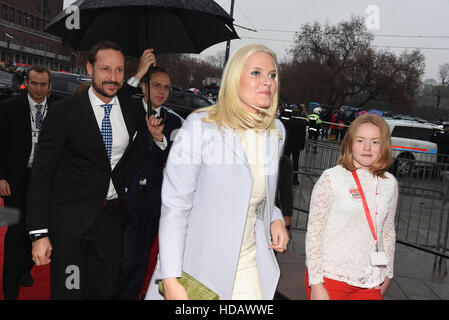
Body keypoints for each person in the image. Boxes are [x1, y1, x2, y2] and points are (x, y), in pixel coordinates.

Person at [145, 44, 289, 300]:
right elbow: (175, 207)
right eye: (256, 73)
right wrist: (170, 277)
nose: (267, 81)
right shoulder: (201, 126)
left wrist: (275, 216)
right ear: (235, 79)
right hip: (199, 267)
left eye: (272, 75)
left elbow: (258, 191)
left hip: (248, 262)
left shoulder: (275, 132)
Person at [26, 40, 146, 300]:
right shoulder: (64, 112)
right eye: (105, 69)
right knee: (71, 293)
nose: (112, 78)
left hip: (111, 222)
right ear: (90, 68)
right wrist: (39, 233)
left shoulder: (132, 110)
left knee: (103, 293)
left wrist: (158, 139)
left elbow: (136, 158)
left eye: (119, 70)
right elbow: (42, 175)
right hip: (71, 225)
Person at [305, 113, 398, 300]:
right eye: (361, 140)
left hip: (371, 279)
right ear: (350, 143)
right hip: (330, 277)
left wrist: (388, 273)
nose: (367, 147)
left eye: (375, 142)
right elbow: (314, 232)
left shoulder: (390, 183)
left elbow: (387, 232)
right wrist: (316, 283)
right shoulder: (331, 178)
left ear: (384, 146)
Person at [116, 51, 182, 300]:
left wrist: (160, 140)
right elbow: (116, 98)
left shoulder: (175, 122)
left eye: (166, 87)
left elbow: (175, 163)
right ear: (144, 87)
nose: (161, 91)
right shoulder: (129, 109)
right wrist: (140, 70)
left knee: (141, 260)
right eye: (156, 85)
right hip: (124, 198)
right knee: (123, 258)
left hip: (154, 202)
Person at [0, 66, 52, 299]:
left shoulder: (58, 112)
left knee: (36, 230)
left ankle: (25, 269)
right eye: (34, 83)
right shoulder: (8, 108)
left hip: (44, 183)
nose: (39, 88)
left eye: (43, 84)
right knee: (14, 233)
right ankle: (10, 289)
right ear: (26, 84)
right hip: (13, 182)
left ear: (49, 86)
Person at [283, 108, 306, 185]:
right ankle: (294, 179)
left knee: (286, 161)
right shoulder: (302, 123)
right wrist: (302, 145)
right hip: (297, 145)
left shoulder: (287, 122)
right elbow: (303, 135)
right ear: (298, 114)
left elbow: (284, 133)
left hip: (288, 144)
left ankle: (284, 178)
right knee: (295, 162)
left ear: (292, 114)